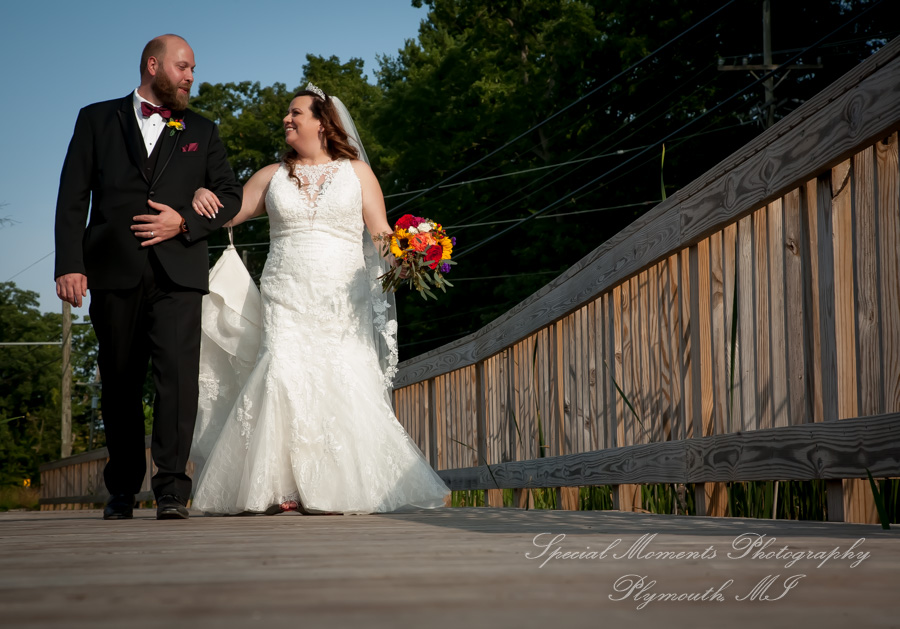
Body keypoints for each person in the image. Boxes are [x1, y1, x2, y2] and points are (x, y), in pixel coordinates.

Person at [188, 85, 450, 514]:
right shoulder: (270, 175)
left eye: (296, 113)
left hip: (341, 298)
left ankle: (336, 488)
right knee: (284, 373)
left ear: (322, 121)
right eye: (286, 115)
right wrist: (201, 196)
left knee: (342, 375)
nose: (287, 120)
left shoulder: (358, 174)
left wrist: (412, 252)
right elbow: (228, 215)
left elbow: (381, 234)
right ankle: (280, 489)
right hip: (285, 290)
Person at [54, 35, 242, 520]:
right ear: (153, 65)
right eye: (184, 67)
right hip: (114, 271)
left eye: (193, 69)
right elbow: (73, 196)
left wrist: (184, 221)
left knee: (177, 383)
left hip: (179, 272)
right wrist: (70, 264)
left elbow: (230, 195)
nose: (191, 77)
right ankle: (120, 490)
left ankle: (172, 491)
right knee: (119, 381)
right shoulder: (96, 119)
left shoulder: (203, 128)